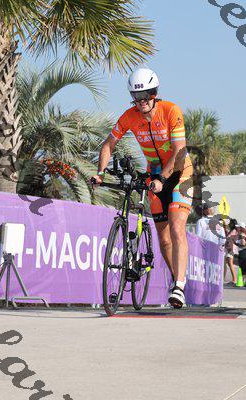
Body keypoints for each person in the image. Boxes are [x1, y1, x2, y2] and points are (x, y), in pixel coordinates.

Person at [91, 68, 193, 309]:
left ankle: (179, 286)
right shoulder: (129, 116)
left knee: (177, 228)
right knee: (164, 240)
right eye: (136, 97)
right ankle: (176, 280)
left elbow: (179, 151)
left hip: (180, 173)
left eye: (146, 95)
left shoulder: (171, 110)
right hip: (154, 174)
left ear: (154, 94)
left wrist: (163, 178)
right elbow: (109, 144)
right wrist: (100, 172)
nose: (141, 101)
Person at [235, 222, 246, 286]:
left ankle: (245, 282)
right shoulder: (245, 233)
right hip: (245, 252)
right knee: (245, 267)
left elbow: (243, 243)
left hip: (243, 252)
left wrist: (235, 243)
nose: (237, 228)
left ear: (241, 228)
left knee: (243, 267)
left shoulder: (242, 234)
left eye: (238, 227)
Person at [224, 219, 240, 285]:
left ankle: (234, 280)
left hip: (231, 249)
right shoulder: (232, 230)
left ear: (233, 224)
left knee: (230, 263)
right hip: (229, 248)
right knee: (227, 263)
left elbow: (229, 238)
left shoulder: (234, 231)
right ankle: (232, 279)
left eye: (230, 223)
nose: (229, 224)